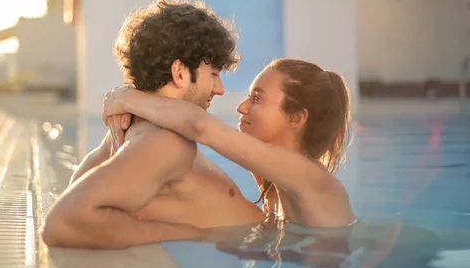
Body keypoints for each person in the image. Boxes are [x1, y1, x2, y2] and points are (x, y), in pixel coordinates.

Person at [41, 0, 266, 249]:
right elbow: (64, 221)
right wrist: (189, 234)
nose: (220, 89)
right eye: (213, 74)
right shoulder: (166, 141)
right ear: (179, 73)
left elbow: (77, 187)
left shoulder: (130, 131)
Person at [102, 58, 357, 228]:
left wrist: (126, 97)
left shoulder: (308, 175)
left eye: (257, 98)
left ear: (296, 117)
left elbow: (200, 126)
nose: (241, 107)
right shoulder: (271, 180)